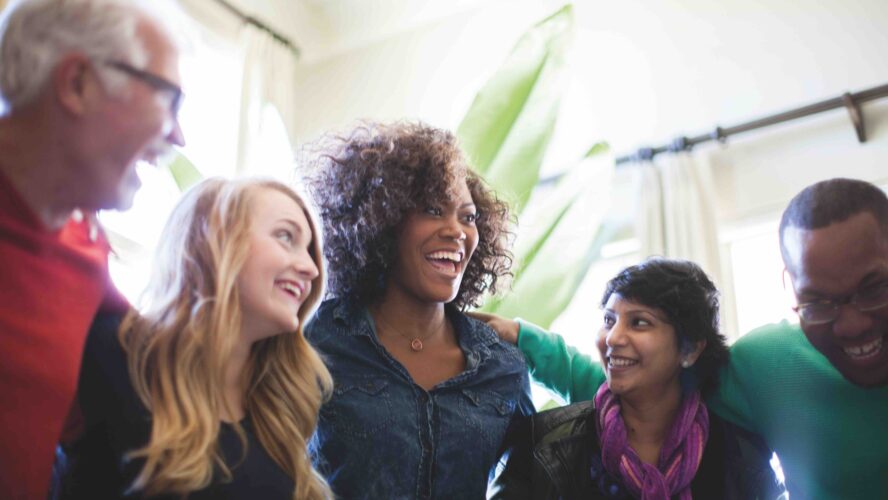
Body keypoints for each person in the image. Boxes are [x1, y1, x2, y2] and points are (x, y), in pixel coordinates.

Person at [484, 177, 888, 499]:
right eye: (818, 303)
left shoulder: (736, 457)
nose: (853, 324)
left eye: (874, 290)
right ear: (791, 289)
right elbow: (653, 400)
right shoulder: (767, 365)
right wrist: (525, 339)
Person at [0, 0, 186, 497]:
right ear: (77, 82)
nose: (179, 135)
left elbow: (148, 348)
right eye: (169, 100)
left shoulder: (86, 241)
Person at [61, 178, 332, 499]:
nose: (312, 269)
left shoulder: (280, 406)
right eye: (286, 236)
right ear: (214, 238)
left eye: (310, 251)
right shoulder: (118, 353)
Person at [304, 121, 534, 499]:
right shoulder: (316, 342)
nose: (457, 231)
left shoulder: (501, 366)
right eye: (432, 209)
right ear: (383, 219)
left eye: (468, 216)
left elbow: (529, 476)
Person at [490, 258, 780, 499]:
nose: (613, 337)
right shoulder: (542, 444)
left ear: (690, 349)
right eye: (608, 320)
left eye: (639, 322)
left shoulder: (738, 454)